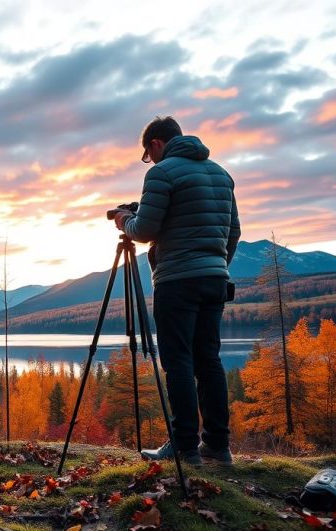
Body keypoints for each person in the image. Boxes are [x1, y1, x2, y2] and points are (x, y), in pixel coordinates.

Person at [112, 116, 241, 466]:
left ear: (155, 144)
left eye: (147, 154)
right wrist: (216, 263)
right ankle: (217, 445)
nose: (150, 161)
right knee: (209, 361)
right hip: (215, 279)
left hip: (177, 281)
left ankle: (184, 446)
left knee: (179, 362)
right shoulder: (220, 173)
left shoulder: (161, 173)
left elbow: (145, 229)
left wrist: (124, 219)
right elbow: (234, 231)